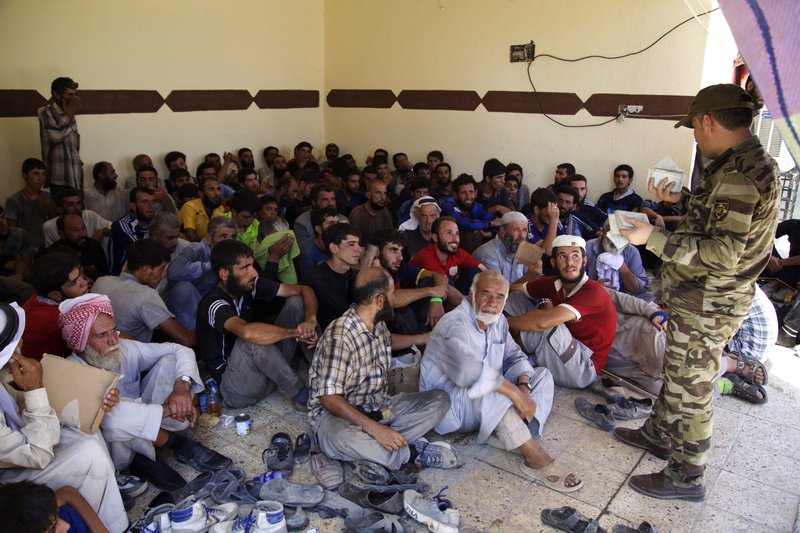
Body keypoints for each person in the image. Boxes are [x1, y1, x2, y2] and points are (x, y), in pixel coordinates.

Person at [614, 83, 779, 501]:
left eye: (694, 127)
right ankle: (658, 434)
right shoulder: (741, 164)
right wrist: (681, 203)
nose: (694, 136)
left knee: (694, 386)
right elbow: (719, 225)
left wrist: (652, 238)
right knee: (681, 371)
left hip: (710, 301)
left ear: (708, 121)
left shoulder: (740, 173)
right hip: (704, 297)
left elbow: (723, 253)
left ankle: (686, 477)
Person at [420, 271, 582, 493]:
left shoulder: (499, 322)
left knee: (542, 375)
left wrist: (523, 386)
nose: (492, 303)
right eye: (485, 294)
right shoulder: (453, 323)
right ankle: (534, 457)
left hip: (481, 406)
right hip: (452, 407)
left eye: (499, 297)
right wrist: (514, 393)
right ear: (472, 293)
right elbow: (470, 372)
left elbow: (515, 357)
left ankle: (515, 429)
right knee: (494, 387)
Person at [60, 294, 231, 492]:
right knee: (113, 418)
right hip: (116, 450)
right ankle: (175, 445)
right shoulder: (71, 374)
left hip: (145, 423)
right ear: (80, 342)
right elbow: (112, 422)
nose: (114, 340)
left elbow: (179, 349)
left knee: (170, 360)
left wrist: (181, 387)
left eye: (114, 330)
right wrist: (167, 410)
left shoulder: (122, 348)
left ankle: (151, 451)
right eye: (102, 335)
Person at [308, 267, 458, 472]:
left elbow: (387, 341)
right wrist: (376, 430)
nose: (394, 299)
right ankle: (411, 454)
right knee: (338, 437)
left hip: (378, 406)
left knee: (440, 400)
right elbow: (329, 398)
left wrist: (423, 338)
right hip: (338, 417)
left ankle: (376, 451)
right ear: (379, 300)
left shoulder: (376, 322)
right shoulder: (340, 336)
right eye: (391, 294)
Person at [0, 302, 128, 532]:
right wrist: (35, 390)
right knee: (89, 455)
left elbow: (20, 411)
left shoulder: (4, 374)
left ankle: (108, 498)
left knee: (85, 430)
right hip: (10, 481)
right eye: (16, 343)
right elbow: (37, 454)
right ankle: (114, 526)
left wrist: (94, 397)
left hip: (28, 445)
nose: (22, 344)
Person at [196, 240, 318, 409]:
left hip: (266, 374)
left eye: (252, 265)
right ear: (224, 273)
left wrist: (310, 320)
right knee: (251, 338)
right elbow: (246, 333)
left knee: (297, 303)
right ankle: (300, 396)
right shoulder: (213, 303)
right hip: (235, 389)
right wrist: (296, 333)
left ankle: (324, 374)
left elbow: (305, 290)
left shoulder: (248, 285)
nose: (253, 273)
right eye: (245, 268)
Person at [505, 235, 617, 389]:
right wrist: (493, 295)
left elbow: (542, 322)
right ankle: (512, 347)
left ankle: (511, 355)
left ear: (584, 261)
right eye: (563, 257)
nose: (570, 263)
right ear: (553, 262)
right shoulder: (555, 283)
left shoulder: (593, 292)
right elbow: (515, 289)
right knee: (517, 299)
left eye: (575, 256)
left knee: (546, 323)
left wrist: (503, 323)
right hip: (562, 350)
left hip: (583, 367)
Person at [94, 240, 195, 346]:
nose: (164, 275)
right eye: (162, 268)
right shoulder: (146, 295)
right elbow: (186, 339)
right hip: (127, 355)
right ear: (146, 270)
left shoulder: (101, 281)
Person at [22, 252, 90, 360]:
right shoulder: (58, 317)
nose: (84, 282)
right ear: (56, 295)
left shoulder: (37, 298)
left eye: (81, 275)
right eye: (74, 282)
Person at [305, 223, 362, 331]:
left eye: (358, 244)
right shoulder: (318, 279)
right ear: (334, 248)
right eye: (351, 244)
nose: (359, 249)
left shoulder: (350, 272)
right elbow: (350, 313)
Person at [410, 216, 486, 295]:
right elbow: (447, 289)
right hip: (417, 300)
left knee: (475, 273)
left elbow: (483, 269)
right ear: (435, 238)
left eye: (457, 233)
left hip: (448, 290)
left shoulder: (457, 252)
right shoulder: (426, 257)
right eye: (449, 233)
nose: (455, 239)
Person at [38, 77, 82, 193]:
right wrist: (68, 115)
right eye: (69, 95)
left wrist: (69, 115)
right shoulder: (45, 111)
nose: (74, 99)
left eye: (75, 94)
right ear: (57, 94)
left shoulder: (70, 114)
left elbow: (74, 146)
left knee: (78, 211)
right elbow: (56, 137)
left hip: (76, 177)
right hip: (58, 179)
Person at [5, 158, 58, 250]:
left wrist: (52, 208)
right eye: (36, 173)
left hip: (47, 243)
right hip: (24, 246)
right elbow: (11, 230)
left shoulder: (48, 197)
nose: (40, 178)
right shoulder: (14, 200)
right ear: (25, 176)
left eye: (43, 174)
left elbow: (54, 223)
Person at [473, 211, 538, 284]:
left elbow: (534, 282)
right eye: (516, 229)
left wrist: (536, 274)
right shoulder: (487, 254)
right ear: (503, 231)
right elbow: (499, 292)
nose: (522, 236)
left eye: (524, 230)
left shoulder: (523, 249)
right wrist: (528, 277)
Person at [108, 186, 156, 275]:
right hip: (120, 279)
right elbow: (139, 252)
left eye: (153, 202)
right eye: (145, 202)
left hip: (147, 275)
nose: (151, 206)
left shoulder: (155, 224)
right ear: (133, 206)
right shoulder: (121, 225)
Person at [47, 212, 109, 279]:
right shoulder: (54, 256)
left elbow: (104, 274)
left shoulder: (93, 245)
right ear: (62, 234)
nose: (82, 234)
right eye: (75, 230)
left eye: (83, 228)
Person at [43, 188, 111, 247]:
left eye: (78, 203)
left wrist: (102, 231)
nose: (76, 208)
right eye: (71, 204)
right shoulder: (49, 227)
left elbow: (112, 226)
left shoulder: (90, 215)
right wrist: (93, 241)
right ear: (60, 209)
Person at [178, 177, 227, 242]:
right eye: (211, 189)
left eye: (218, 189)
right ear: (201, 194)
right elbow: (191, 237)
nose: (217, 193)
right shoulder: (190, 207)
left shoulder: (220, 208)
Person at [348, 179, 393, 246]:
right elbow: (355, 243)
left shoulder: (384, 210)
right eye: (378, 193)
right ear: (368, 195)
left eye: (384, 193)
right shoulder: (356, 214)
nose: (383, 197)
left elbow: (390, 235)